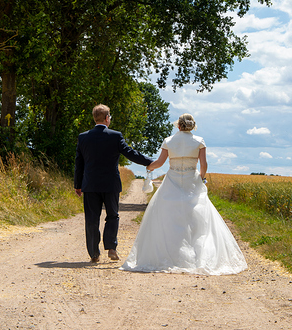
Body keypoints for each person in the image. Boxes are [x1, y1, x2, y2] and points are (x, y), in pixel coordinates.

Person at [121, 114, 248, 275]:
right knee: (195, 215)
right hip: (192, 180)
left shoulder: (169, 141)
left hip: (173, 179)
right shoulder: (199, 141)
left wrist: (150, 168)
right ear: (192, 126)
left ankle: (170, 252)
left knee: (169, 215)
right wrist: (202, 178)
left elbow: (160, 163)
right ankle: (197, 255)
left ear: (178, 126)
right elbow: (203, 164)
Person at [75, 104, 154, 263]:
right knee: (112, 216)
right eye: (109, 117)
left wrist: (78, 184)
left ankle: (94, 253)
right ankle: (111, 247)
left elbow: (79, 163)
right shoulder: (115, 136)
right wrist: (149, 162)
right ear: (106, 118)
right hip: (111, 184)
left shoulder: (83, 137)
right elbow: (130, 153)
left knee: (91, 218)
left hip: (90, 185)